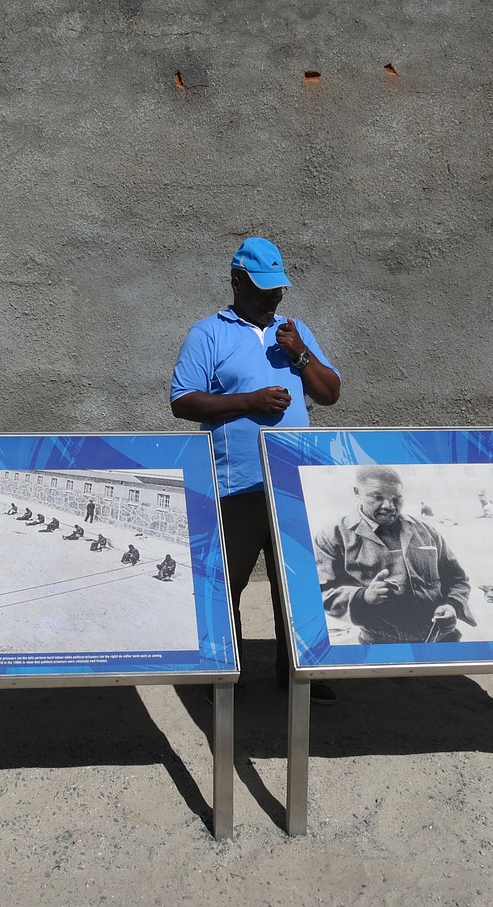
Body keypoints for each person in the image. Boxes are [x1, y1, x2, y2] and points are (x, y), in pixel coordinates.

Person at [171, 237, 341, 701]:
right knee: (229, 581)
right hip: (236, 482)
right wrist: (250, 401)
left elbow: (329, 394)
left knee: (299, 580)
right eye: (263, 289)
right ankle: (228, 674)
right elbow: (182, 401)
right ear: (236, 282)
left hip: (293, 481)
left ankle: (300, 673)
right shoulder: (208, 333)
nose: (272, 298)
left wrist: (300, 354)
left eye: (278, 290)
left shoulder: (294, 331)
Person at [316, 466, 475, 644]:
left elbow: (457, 579)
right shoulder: (334, 536)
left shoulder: (426, 531)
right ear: (357, 492)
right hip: (380, 646)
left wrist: (452, 606)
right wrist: (363, 597)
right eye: (378, 497)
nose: (389, 506)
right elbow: (320, 593)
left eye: (396, 499)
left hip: (440, 641)